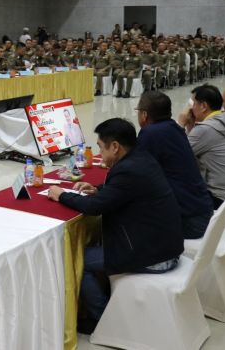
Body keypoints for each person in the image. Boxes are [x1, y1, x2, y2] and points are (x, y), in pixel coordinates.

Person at [47, 118, 183, 334]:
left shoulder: (128, 169)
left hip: (154, 256)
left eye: (101, 147)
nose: (101, 152)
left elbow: (94, 208)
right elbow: (122, 191)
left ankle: (103, 320)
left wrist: (61, 195)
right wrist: (99, 189)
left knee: (77, 260)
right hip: (165, 246)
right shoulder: (141, 158)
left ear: (115, 147)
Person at [135, 91, 214, 239]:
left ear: (144, 115)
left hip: (190, 222)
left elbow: (138, 174)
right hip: (203, 211)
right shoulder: (174, 128)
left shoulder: (149, 133)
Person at [178, 85, 225, 211]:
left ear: (203, 106)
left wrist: (181, 124)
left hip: (224, 200)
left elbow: (177, 154)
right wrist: (191, 126)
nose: (192, 108)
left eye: (194, 104)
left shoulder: (205, 129)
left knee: (176, 188)